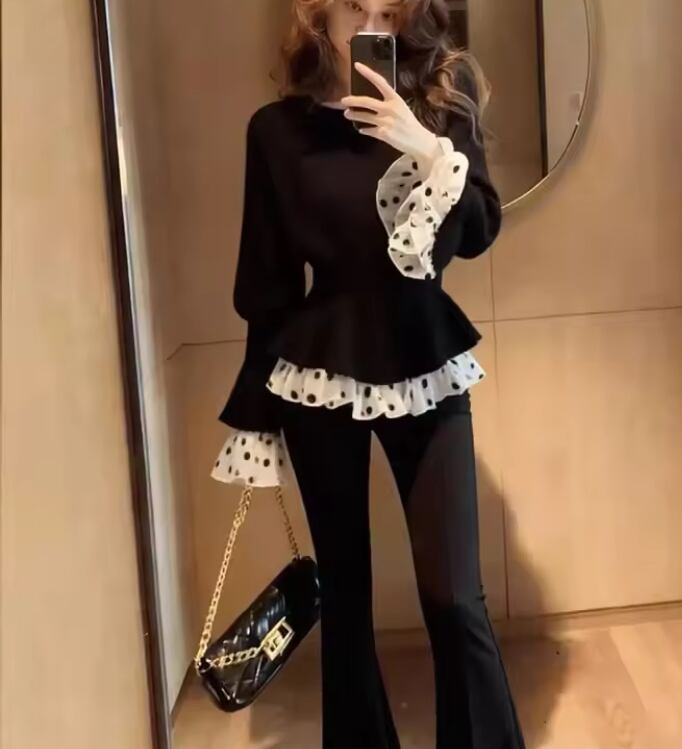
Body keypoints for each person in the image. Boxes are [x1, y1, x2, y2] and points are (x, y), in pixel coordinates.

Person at [210, 1, 525, 746]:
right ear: (317, 12)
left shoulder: (443, 98)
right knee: (345, 599)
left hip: (425, 357)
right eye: (358, 7)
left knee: (456, 596)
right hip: (318, 371)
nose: (374, 24)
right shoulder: (276, 132)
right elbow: (267, 283)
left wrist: (428, 151)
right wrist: (255, 412)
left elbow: (478, 231)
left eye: (391, 10)